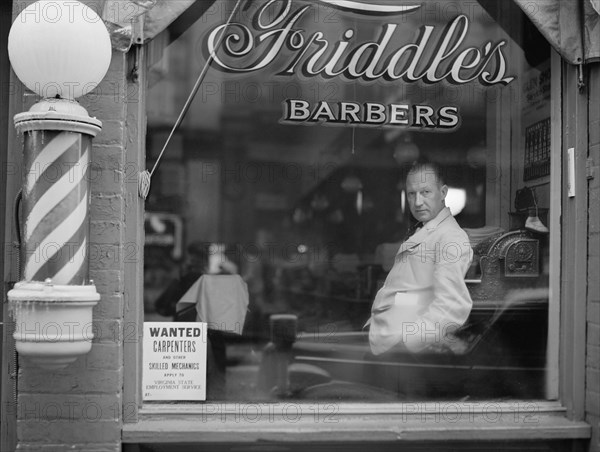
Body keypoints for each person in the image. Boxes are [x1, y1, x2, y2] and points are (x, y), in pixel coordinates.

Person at [366, 161, 473, 355]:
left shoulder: (451, 236)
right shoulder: (425, 228)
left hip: (400, 351)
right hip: (386, 339)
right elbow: (415, 292)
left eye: (425, 192)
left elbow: (452, 306)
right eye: (411, 194)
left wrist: (409, 342)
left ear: (443, 193)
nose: (417, 202)